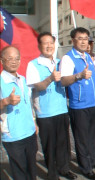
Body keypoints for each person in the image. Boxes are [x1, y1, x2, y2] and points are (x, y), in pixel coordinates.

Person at [26, 32, 77, 180]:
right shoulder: (33, 64)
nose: (49, 46)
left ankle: (64, 168)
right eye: (45, 43)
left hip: (61, 110)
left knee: (63, 143)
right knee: (49, 145)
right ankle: (52, 173)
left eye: (51, 43)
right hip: (45, 113)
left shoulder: (60, 62)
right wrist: (50, 78)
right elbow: (38, 87)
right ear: (39, 46)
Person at [59, 27, 95, 180]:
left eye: (86, 38)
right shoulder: (68, 58)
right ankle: (85, 168)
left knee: (92, 136)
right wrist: (79, 75)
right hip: (79, 106)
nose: (84, 41)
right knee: (81, 139)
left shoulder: (88, 56)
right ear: (73, 40)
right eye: (80, 38)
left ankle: (93, 160)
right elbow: (63, 80)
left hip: (92, 103)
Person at [0, 46, 37, 180]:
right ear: (2, 60)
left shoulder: (23, 79)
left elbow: (29, 105)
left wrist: (34, 122)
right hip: (13, 135)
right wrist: (5, 101)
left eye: (17, 58)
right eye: (10, 58)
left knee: (32, 170)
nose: (14, 61)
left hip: (29, 132)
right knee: (19, 172)